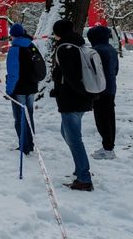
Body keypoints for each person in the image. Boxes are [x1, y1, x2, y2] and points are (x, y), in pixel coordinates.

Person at [51, 19, 94, 191]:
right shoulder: (78, 44)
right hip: (78, 98)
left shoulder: (65, 48)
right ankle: (80, 168)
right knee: (66, 133)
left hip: (72, 100)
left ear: (58, 32)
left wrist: (68, 91)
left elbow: (70, 76)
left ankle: (84, 178)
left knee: (75, 139)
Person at [87, 26, 119, 160]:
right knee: (110, 117)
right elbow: (116, 69)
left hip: (100, 89)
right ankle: (109, 146)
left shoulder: (96, 51)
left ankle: (107, 148)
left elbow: (90, 71)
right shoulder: (111, 49)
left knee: (102, 119)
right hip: (111, 88)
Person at [5, 24, 37, 155]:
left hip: (19, 88)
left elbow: (13, 73)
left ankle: (24, 145)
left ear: (12, 35)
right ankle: (31, 142)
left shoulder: (15, 49)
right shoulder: (31, 45)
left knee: (20, 117)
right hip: (31, 86)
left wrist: (9, 90)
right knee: (29, 115)